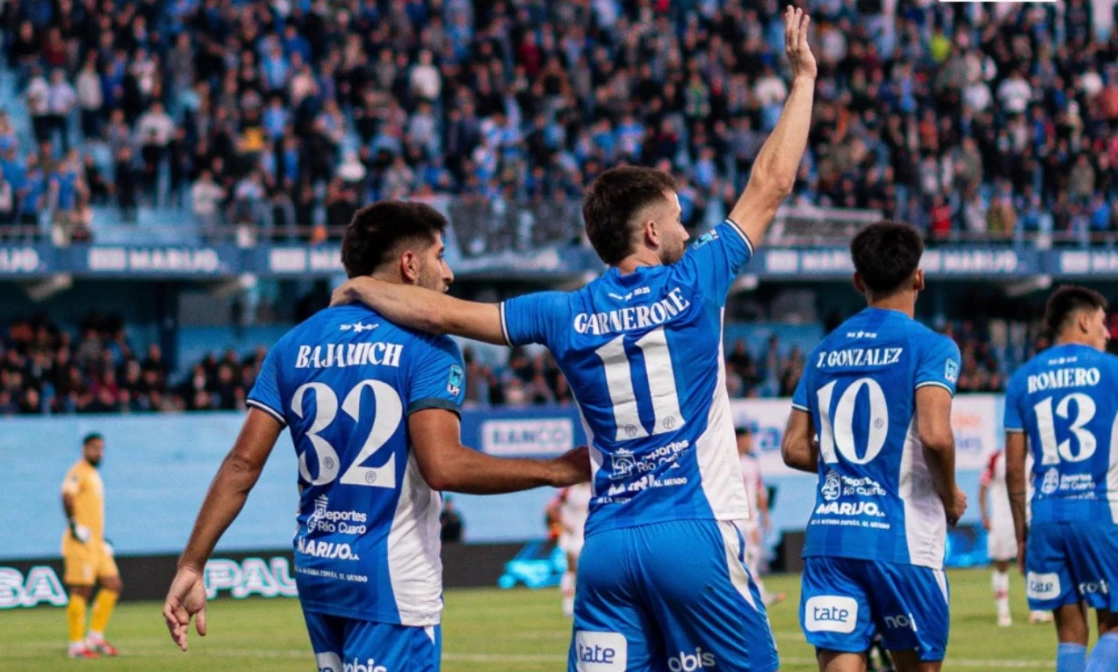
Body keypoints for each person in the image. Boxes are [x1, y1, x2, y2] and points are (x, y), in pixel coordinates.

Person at [332, 9, 816, 669]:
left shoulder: (561, 312)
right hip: (695, 530)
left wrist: (361, 285)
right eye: (676, 218)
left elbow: (447, 315)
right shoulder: (698, 277)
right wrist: (803, 79)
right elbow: (772, 183)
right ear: (650, 234)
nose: (684, 228)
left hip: (609, 544)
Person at [161, 201, 590, 668]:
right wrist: (557, 469)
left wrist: (191, 564)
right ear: (409, 265)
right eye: (440, 256)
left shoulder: (293, 344)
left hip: (319, 567)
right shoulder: (428, 347)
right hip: (390, 580)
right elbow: (443, 466)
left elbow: (241, 465)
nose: (448, 274)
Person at [781, 221, 968, 672]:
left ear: (858, 281)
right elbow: (936, 436)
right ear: (919, 278)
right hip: (901, 543)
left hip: (831, 540)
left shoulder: (824, 350)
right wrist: (950, 495)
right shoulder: (931, 346)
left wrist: (849, 470)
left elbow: (792, 447)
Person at [1003, 286, 1118, 672]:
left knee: (1070, 633)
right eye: (1104, 324)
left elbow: (1014, 468)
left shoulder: (1022, 379)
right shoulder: (1113, 371)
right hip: (1102, 513)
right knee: (1114, 627)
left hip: (1047, 518)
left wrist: (1022, 533)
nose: (1108, 333)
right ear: (1084, 321)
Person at [61, 433, 122, 659]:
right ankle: (76, 645)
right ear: (85, 448)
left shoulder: (94, 474)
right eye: (95, 448)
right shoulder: (79, 471)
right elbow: (67, 496)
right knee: (81, 590)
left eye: (102, 448)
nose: (100, 452)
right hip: (81, 543)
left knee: (113, 584)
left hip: (96, 543)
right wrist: (74, 525)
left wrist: (102, 538)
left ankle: (95, 637)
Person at [978, 448, 1054, 627]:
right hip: (1002, 519)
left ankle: (1037, 610)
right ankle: (1003, 613)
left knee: (1032, 562)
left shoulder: (1034, 458)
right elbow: (983, 487)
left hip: (1028, 517)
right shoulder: (997, 458)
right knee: (1002, 564)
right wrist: (984, 515)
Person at [736, 426, 786, 607]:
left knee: (752, 557)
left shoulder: (752, 463)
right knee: (741, 557)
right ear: (739, 439)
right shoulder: (728, 461)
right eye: (747, 439)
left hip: (750, 519)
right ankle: (752, 594)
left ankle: (758, 593)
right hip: (734, 518)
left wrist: (764, 516)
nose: (750, 442)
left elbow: (759, 491)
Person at [547, 482, 592, 617]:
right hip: (572, 537)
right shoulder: (568, 490)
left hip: (588, 534)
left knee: (589, 570)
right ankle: (568, 605)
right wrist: (562, 524)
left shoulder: (593, 487)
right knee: (572, 569)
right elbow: (551, 508)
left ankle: (588, 604)